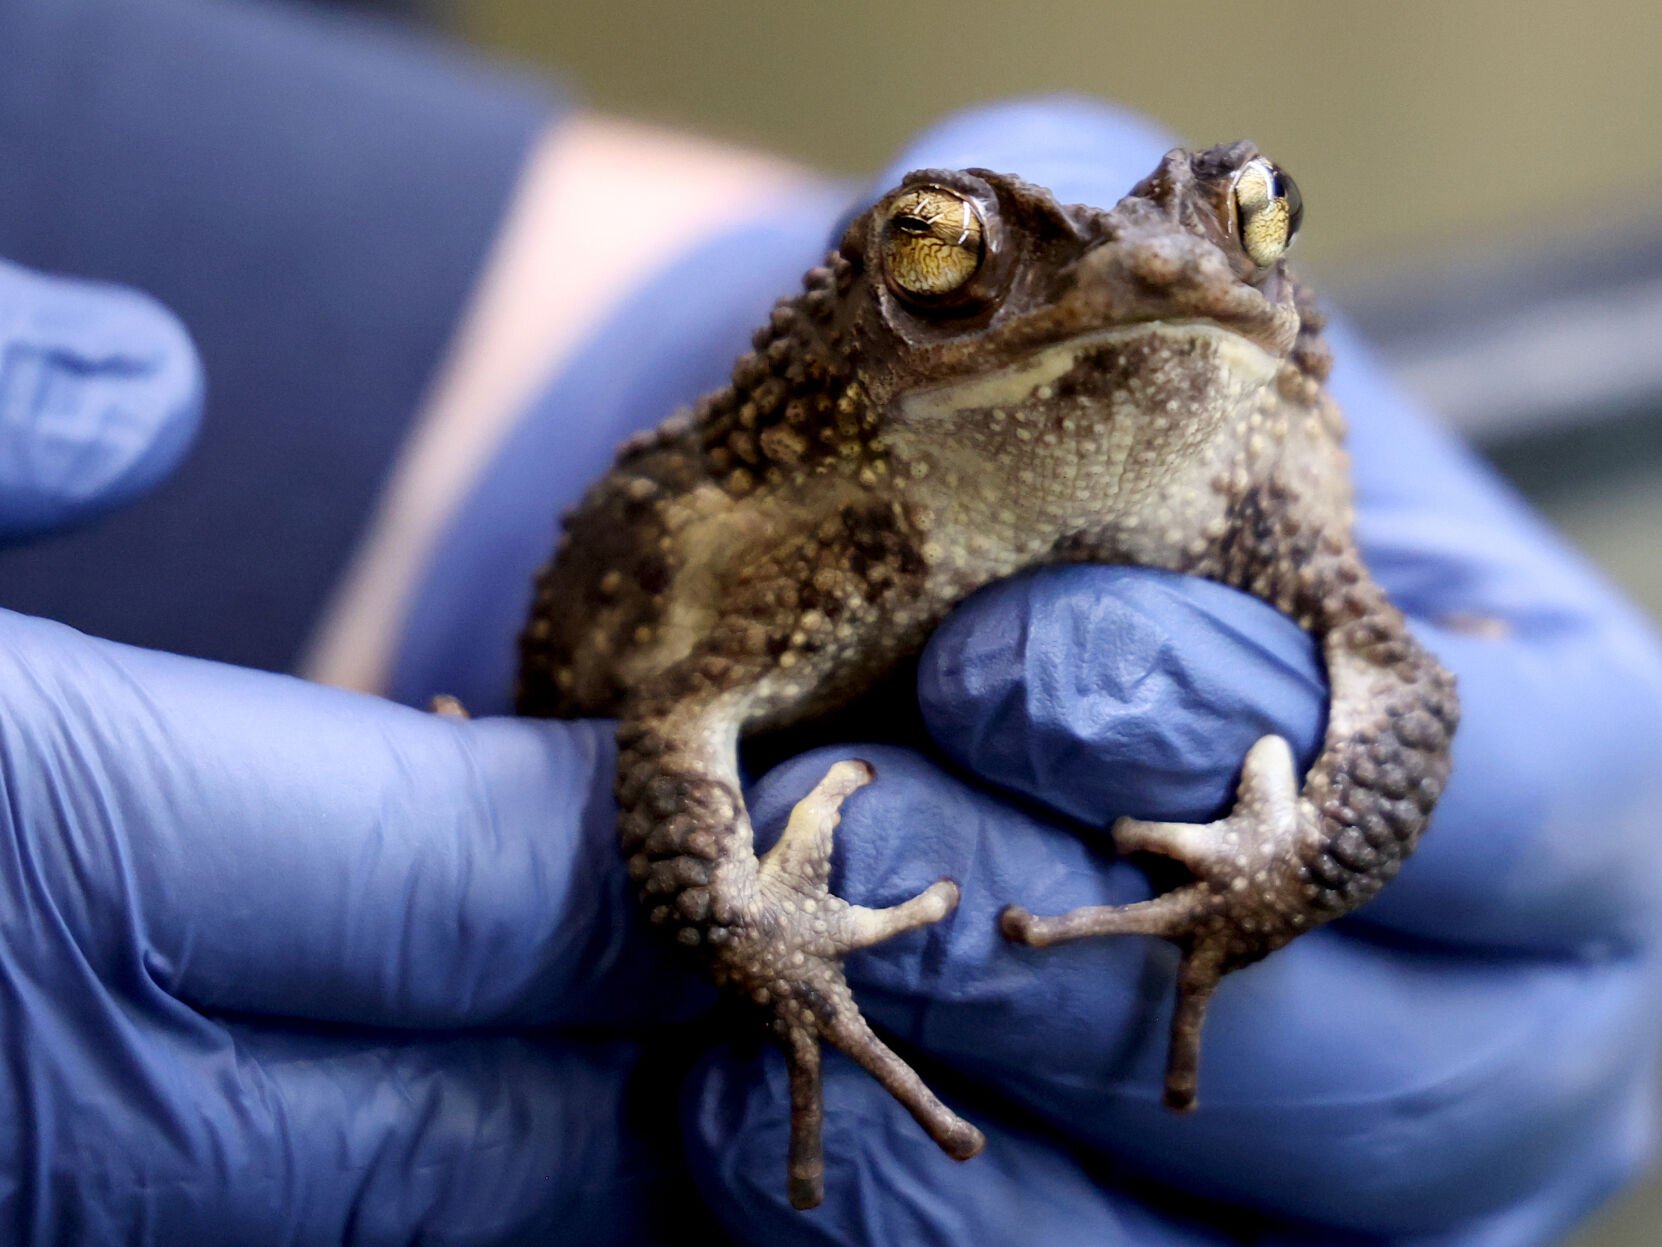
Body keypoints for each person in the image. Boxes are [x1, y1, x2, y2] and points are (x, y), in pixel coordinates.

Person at [2, 1, 1660, 1243]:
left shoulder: (1264, 470)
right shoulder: (819, 509)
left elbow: (1403, 694)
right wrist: (769, 943)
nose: (1157, 271)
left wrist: (1267, 885)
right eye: (949, 251)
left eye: (1253, 221)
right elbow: (679, 723)